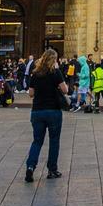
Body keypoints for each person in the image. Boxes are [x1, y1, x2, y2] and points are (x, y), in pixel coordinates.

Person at [24, 49, 68, 183]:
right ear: (54, 60)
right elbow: (65, 90)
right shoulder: (56, 72)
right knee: (54, 141)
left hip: (37, 111)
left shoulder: (35, 73)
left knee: (37, 141)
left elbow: (31, 93)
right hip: (53, 111)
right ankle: (52, 170)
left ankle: (30, 167)